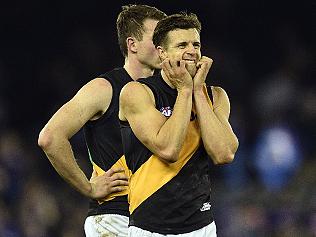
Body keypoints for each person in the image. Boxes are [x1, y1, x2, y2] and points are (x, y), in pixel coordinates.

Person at [38, 5, 166, 237]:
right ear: (132, 44)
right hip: (115, 219)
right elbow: (50, 137)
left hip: (156, 219)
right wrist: (88, 187)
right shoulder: (104, 88)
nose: (162, 45)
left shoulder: (165, 93)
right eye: (156, 37)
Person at [119, 13, 239, 236]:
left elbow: (224, 154)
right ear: (162, 53)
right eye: (182, 44)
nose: (192, 51)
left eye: (196, 44)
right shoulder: (138, 92)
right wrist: (184, 90)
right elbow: (168, 149)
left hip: (201, 227)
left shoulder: (215, 96)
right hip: (150, 228)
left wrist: (197, 91)